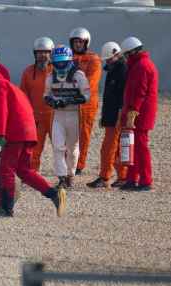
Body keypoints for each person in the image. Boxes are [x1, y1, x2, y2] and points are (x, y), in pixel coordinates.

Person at [0, 60, 66, 217]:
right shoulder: (8, 85)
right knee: (24, 170)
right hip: (28, 131)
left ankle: (6, 208)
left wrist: (1, 135)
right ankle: (54, 194)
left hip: (15, 133)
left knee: (6, 168)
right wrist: (0, 133)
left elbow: (0, 110)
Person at [44, 45, 91, 188]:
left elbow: (86, 96)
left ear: (69, 60)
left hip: (74, 113)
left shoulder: (79, 75)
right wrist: (53, 101)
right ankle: (62, 178)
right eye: (57, 62)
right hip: (58, 115)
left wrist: (69, 101)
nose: (60, 65)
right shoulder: (51, 77)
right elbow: (46, 95)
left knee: (72, 148)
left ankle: (71, 174)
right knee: (58, 147)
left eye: (62, 62)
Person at [87, 42, 128, 188]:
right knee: (116, 148)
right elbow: (110, 96)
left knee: (109, 148)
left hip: (116, 116)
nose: (108, 62)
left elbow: (122, 96)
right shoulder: (114, 69)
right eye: (107, 60)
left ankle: (105, 177)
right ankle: (123, 176)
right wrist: (104, 117)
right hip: (112, 115)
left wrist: (118, 114)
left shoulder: (121, 70)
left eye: (110, 59)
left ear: (117, 54)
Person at [119, 37, 158, 191]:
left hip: (139, 113)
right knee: (133, 147)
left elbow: (139, 92)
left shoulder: (141, 66)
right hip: (138, 112)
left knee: (140, 148)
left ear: (133, 52)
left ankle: (145, 181)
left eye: (127, 55)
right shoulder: (141, 64)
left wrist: (132, 113)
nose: (126, 58)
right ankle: (132, 179)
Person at [69, 27, 102, 175]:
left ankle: (79, 164)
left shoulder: (93, 59)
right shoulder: (68, 57)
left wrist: (73, 89)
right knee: (68, 134)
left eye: (80, 42)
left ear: (86, 43)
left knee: (84, 135)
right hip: (70, 102)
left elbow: (91, 82)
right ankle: (70, 161)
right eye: (75, 42)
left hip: (86, 104)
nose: (78, 45)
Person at [19, 37, 55, 171]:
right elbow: (23, 96)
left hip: (54, 116)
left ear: (51, 53)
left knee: (60, 147)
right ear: (35, 54)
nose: (42, 56)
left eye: (46, 52)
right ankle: (31, 172)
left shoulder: (58, 70)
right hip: (35, 117)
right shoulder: (28, 72)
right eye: (39, 53)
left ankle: (65, 175)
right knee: (33, 148)